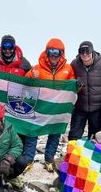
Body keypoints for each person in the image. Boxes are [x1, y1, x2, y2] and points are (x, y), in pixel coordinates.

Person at [23, 38, 75, 172]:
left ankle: (49, 159)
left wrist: (77, 85)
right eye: (50, 51)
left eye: (56, 52)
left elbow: (72, 87)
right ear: (46, 52)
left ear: (61, 54)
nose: (53, 55)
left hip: (57, 108)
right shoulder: (37, 68)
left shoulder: (68, 69)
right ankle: (28, 159)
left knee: (55, 132)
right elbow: (25, 84)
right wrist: (31, 76)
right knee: (32, 131)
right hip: (39, 106)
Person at [0, 35, 32, 148]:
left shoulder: (24, 63)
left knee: (17, 128)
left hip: (15, 102)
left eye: (10, 47)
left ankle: (19, 152)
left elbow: (31, 82)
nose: (7, 50)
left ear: (14, 47)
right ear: (1, 47)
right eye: (4, 47)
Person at [68, 41, 101, 141]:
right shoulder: (74, 64)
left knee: (94, 137)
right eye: (82, 51)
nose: (84, 54)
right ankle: (72, 156)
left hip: (97, 108)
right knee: (74, 136)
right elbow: (68, 79)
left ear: (92, 51)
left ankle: (91, 156)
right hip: (79, 107)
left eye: (87, 51)